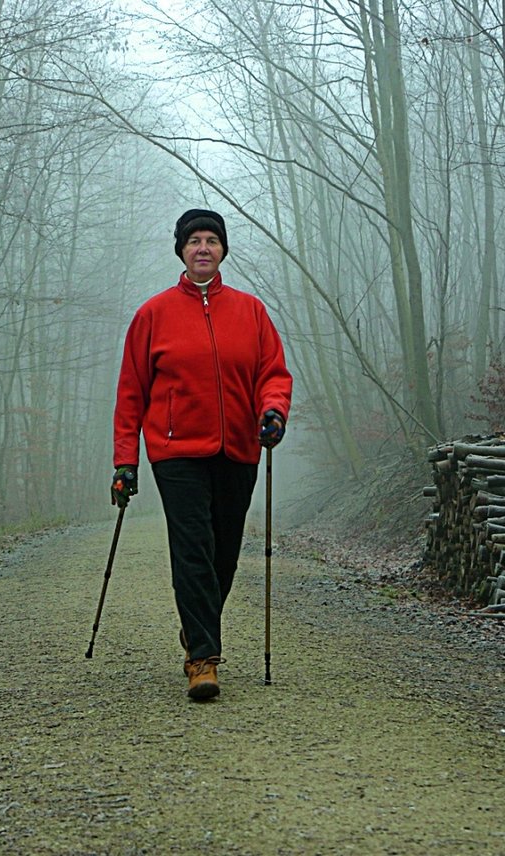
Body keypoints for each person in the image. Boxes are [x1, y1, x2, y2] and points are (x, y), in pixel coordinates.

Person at [110, 208, 292, 701]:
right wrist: (125, 461)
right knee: (192, 548)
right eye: (194, 241)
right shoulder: (153, 314)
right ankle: (203, 659)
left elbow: (272, 374)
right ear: (181, 251)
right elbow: (131, 393)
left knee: (224, 552)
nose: (203, 248)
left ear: (223, 250)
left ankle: (196, 629)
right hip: (176, 452)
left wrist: (272, 411)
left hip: (238, 448)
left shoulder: (251, 311)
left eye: (212, 240)